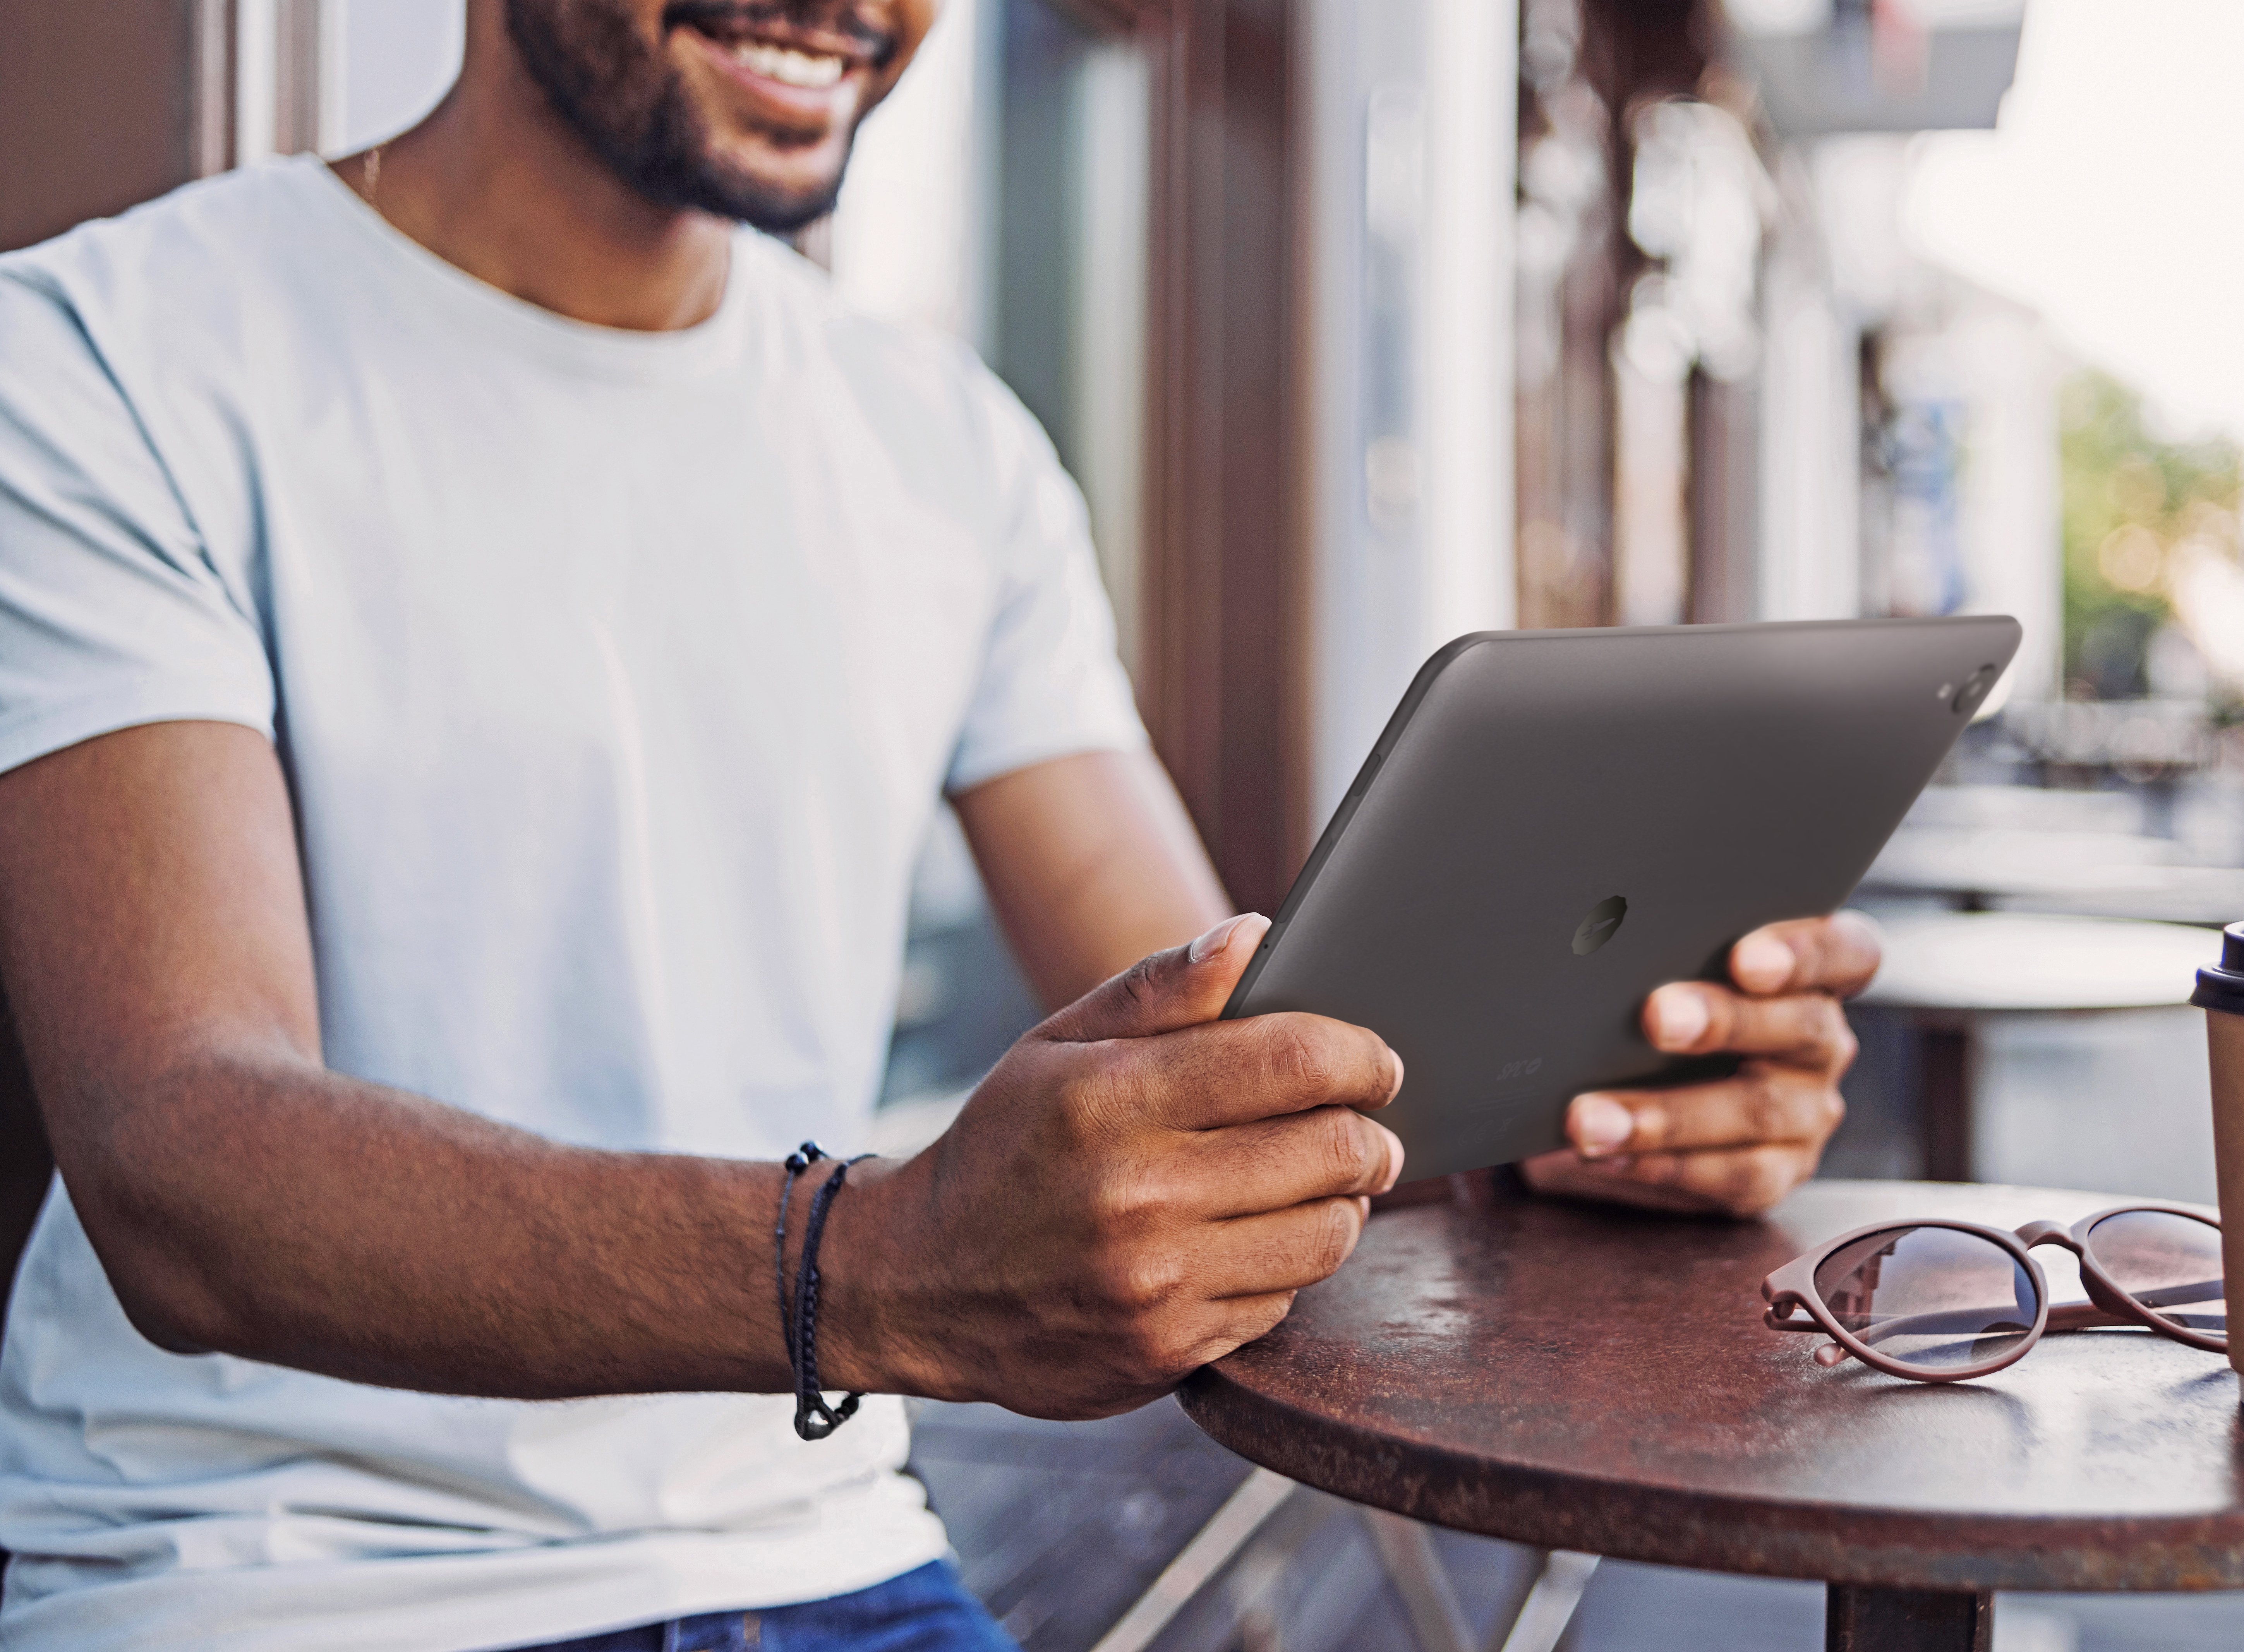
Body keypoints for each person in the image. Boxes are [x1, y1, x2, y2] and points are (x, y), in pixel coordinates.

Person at [0, 1, 1875, 1648]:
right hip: (270, 1573)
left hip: (817, 1545)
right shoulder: (105, 360)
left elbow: (1230, 1031)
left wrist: (1586, 1101)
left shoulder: (947, 450)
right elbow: (183, 1161)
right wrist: (875, 1269)